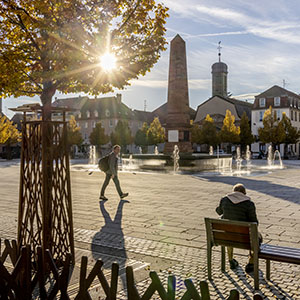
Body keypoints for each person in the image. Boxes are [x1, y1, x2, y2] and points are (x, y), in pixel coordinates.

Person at [216, 183, 261, 273]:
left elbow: (219, 212)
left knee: (229, 233)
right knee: (257, 237)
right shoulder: (249, 204)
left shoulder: (224, 199)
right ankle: (251, 263)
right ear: (244, 193)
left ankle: (231, 260)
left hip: (226, 236)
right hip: (245, 237)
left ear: (234, 192)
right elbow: (254, 222)